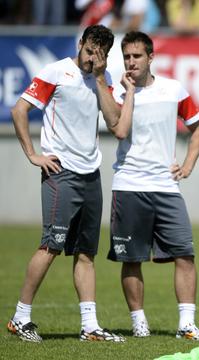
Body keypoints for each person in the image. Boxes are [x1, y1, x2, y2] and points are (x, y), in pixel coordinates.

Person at [7, 25, 125, 343]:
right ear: (80, 44)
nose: (91, 60)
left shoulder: (104, 79)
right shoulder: (55, 72)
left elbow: (115, 122)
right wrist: (33, 154)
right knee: (50, 246)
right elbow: (19, 109)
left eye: (98, 56)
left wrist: (100, 78)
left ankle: (89, 326)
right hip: (61, 174)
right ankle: (20, 318)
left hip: (91, 174)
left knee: (85, 253)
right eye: (88, 52)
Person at [105, 31, 199, 341]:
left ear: (151, 58)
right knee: (131, 259)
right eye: (127, 57)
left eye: (137, 56)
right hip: (128, 185)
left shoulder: (174, 90)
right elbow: (118, 132)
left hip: (166, 188)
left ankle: (187, 325)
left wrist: (187, 165)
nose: (131, 62)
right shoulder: (117, 94)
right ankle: (139, 322)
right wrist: (130, 93)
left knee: (185, 255)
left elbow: (198, 129)